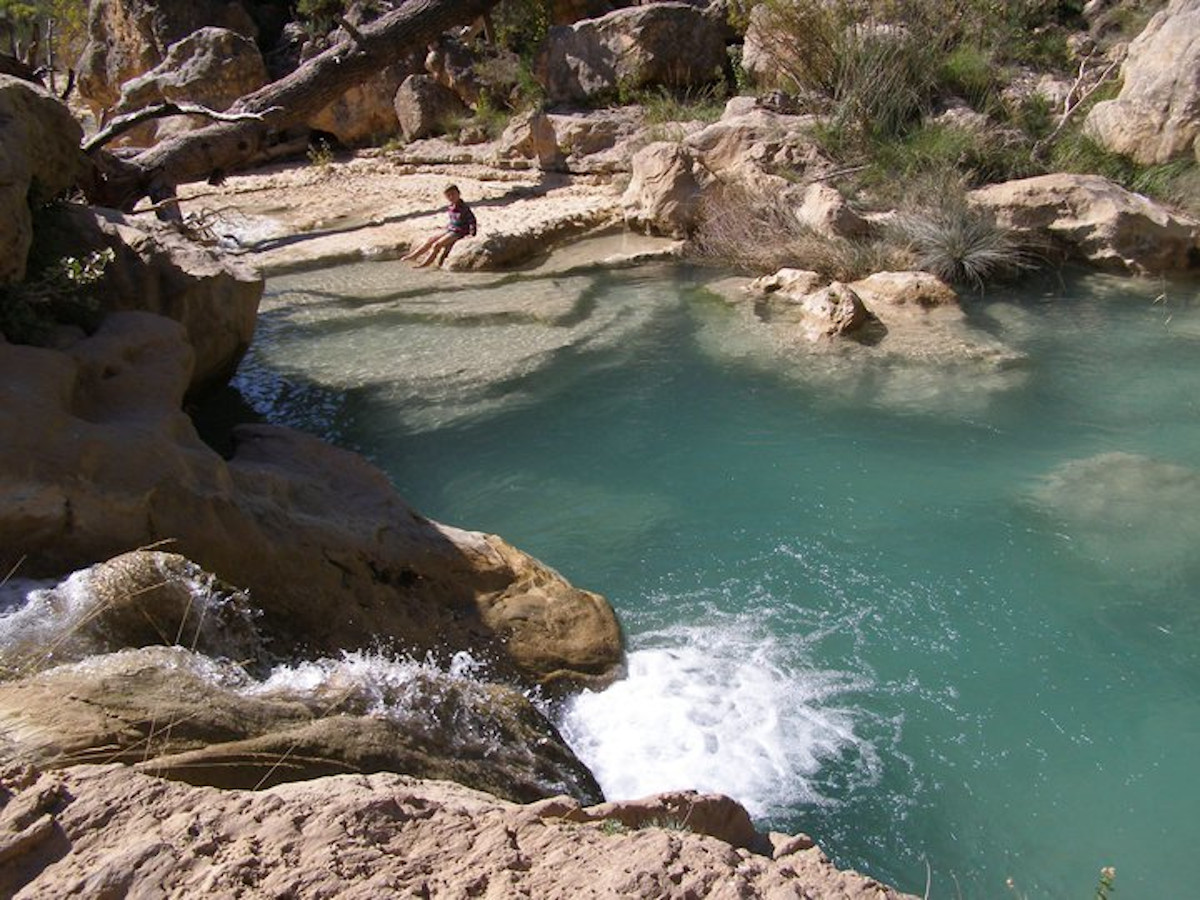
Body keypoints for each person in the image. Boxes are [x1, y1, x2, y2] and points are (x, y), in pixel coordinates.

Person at [402, 184, 477, 268]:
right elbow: (454, 220)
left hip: (459, 231)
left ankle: (425, 264)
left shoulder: (464, 207)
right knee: (430, 240)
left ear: (459, 194)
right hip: (451, 229)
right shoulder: (451, 206)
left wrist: (471, 233)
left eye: (453, 194)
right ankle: (414, 256)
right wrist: (447, 227)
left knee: (437, 245)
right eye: (449, 195)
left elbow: (472, 220)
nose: (451, 197)